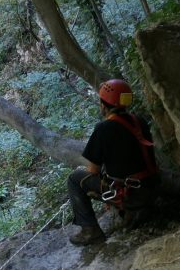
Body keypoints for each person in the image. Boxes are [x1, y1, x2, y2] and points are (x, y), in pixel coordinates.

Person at [67, 79, 159, 246]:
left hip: (131, 195)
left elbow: (93, 171)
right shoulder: (139, 121)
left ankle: (90, 231)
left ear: (103, 105)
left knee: (74, 179)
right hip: (152, 187)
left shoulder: (103, 128)